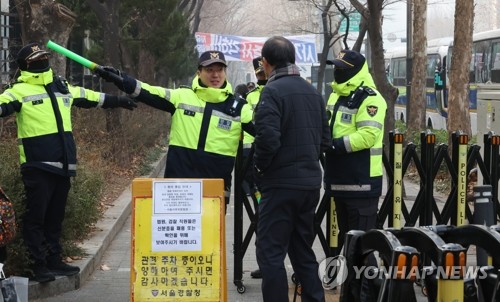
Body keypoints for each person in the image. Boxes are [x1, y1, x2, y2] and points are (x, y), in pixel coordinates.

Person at [0, 42, 137, 283]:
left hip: (64, 164)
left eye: (44, 57)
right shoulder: (18, 91)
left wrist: (119, 101)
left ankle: (54, 259)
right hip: (37, 164)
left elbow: (90, 96)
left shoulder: (61, 87)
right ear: (24, 66)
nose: (42, 61)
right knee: (36, 217)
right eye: (35, 59)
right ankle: (37, 265)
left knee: (55, 217)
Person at [95, 50, 255, 210]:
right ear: (199, 73)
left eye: (219, 70)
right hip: (178, 188)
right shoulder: (181, 96)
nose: (215, 75)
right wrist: (120, 78)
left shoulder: (239, 107)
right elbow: (147, 91)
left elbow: (265, 132)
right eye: (209, 70)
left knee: (211, 234)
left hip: (215, 189)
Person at [253, 36, 330, 302]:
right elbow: (325, 140)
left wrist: (260, 168)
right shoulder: (313, 93)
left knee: (270, 253)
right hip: (310, 185)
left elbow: (268, 139)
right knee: (302, 250)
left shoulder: (271, 92)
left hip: (280, 186)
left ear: (266, 63)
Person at [324, 49, 387, 301]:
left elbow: (368, 136)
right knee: (350, 245)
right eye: (337, 66)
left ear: (357, 70)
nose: (339, 71)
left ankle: (371, 293)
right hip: (339, 181)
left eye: (344, 67)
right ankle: (353, 293)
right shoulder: (336, 95)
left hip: (361, 183)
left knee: (364, 245)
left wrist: (334, 145)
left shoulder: (371, 99)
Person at [243, 56, 267, 279]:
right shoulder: (250, 97)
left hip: (276, 166)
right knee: (260, 216)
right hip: (253, 162)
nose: (263, 77)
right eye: (259, 74)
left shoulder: (281, 92)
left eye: (265, 72)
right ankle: (264, 263)